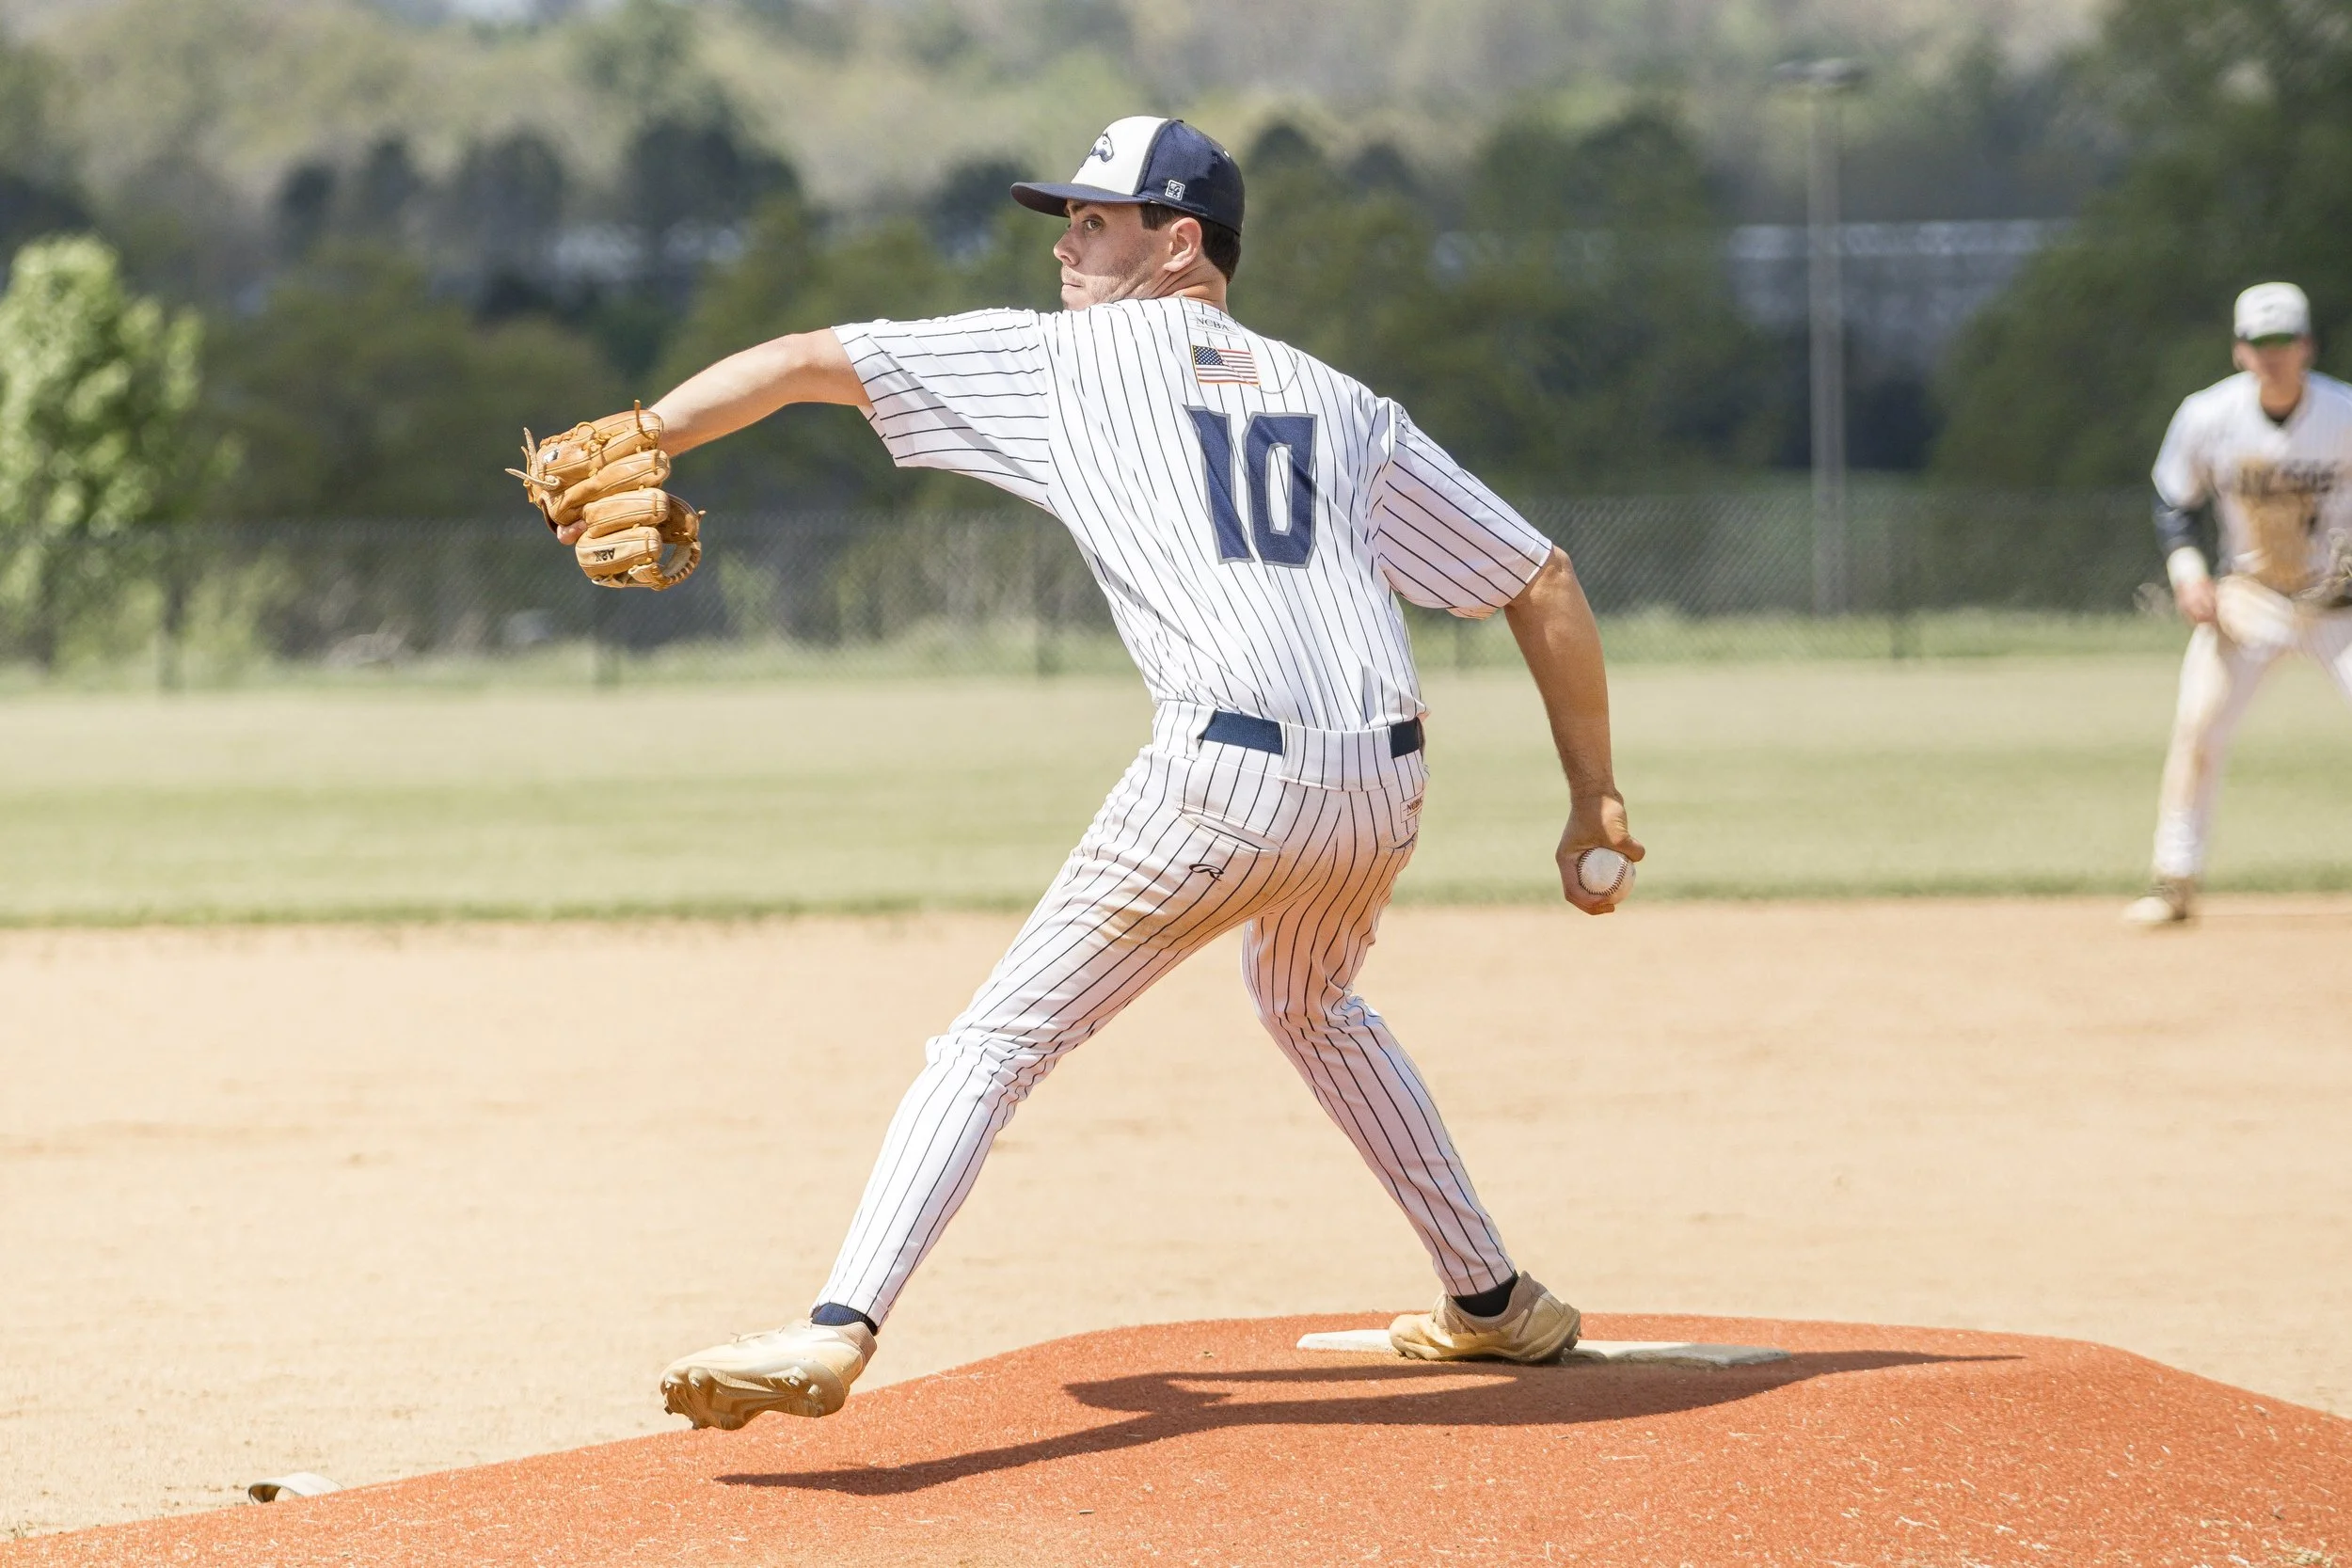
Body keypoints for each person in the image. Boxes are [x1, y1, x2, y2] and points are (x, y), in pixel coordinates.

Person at [559, 117, 1643, 1427]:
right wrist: (1594, 795)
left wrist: (648, 431)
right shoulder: (1344, 401)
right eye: (1065, 218)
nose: (1067, 242)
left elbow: (801, 364)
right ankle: (1494, 1301)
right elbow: (1541, 578)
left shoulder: (1062, 360)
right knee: (1311, 1000)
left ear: (1180, 243)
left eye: (1094, 220)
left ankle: (838, 1326)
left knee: (996, 1038)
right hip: (1382, 783)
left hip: (1223, 773)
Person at [2124, 281, 2352, 927]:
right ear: (2239, 351)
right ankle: (2175, 881)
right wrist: (2188, 569)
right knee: (2199, 726)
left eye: (2284, 341)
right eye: (2259, 343)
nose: (2272, 355)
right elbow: (2175, 500)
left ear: (2307, 346)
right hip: (2250, 601)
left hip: (2341, 604)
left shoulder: (2344, 415)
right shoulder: (2207, 415)